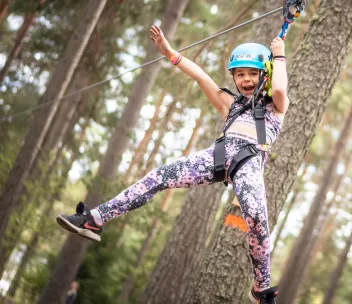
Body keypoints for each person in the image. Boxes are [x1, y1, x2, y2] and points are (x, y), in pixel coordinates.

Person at [56, 24, 289, 304]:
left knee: (255, 216)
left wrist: (279, 55)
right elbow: (200, 75)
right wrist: (169, 53)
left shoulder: (276, 106)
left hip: (249, 162)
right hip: (217, 156)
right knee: (160, 175)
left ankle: (260, 286)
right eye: (241, 74)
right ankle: (95, 220)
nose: (246, 79)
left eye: (253, 73)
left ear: (266, 74)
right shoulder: (231, 104)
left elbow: (279, 88)